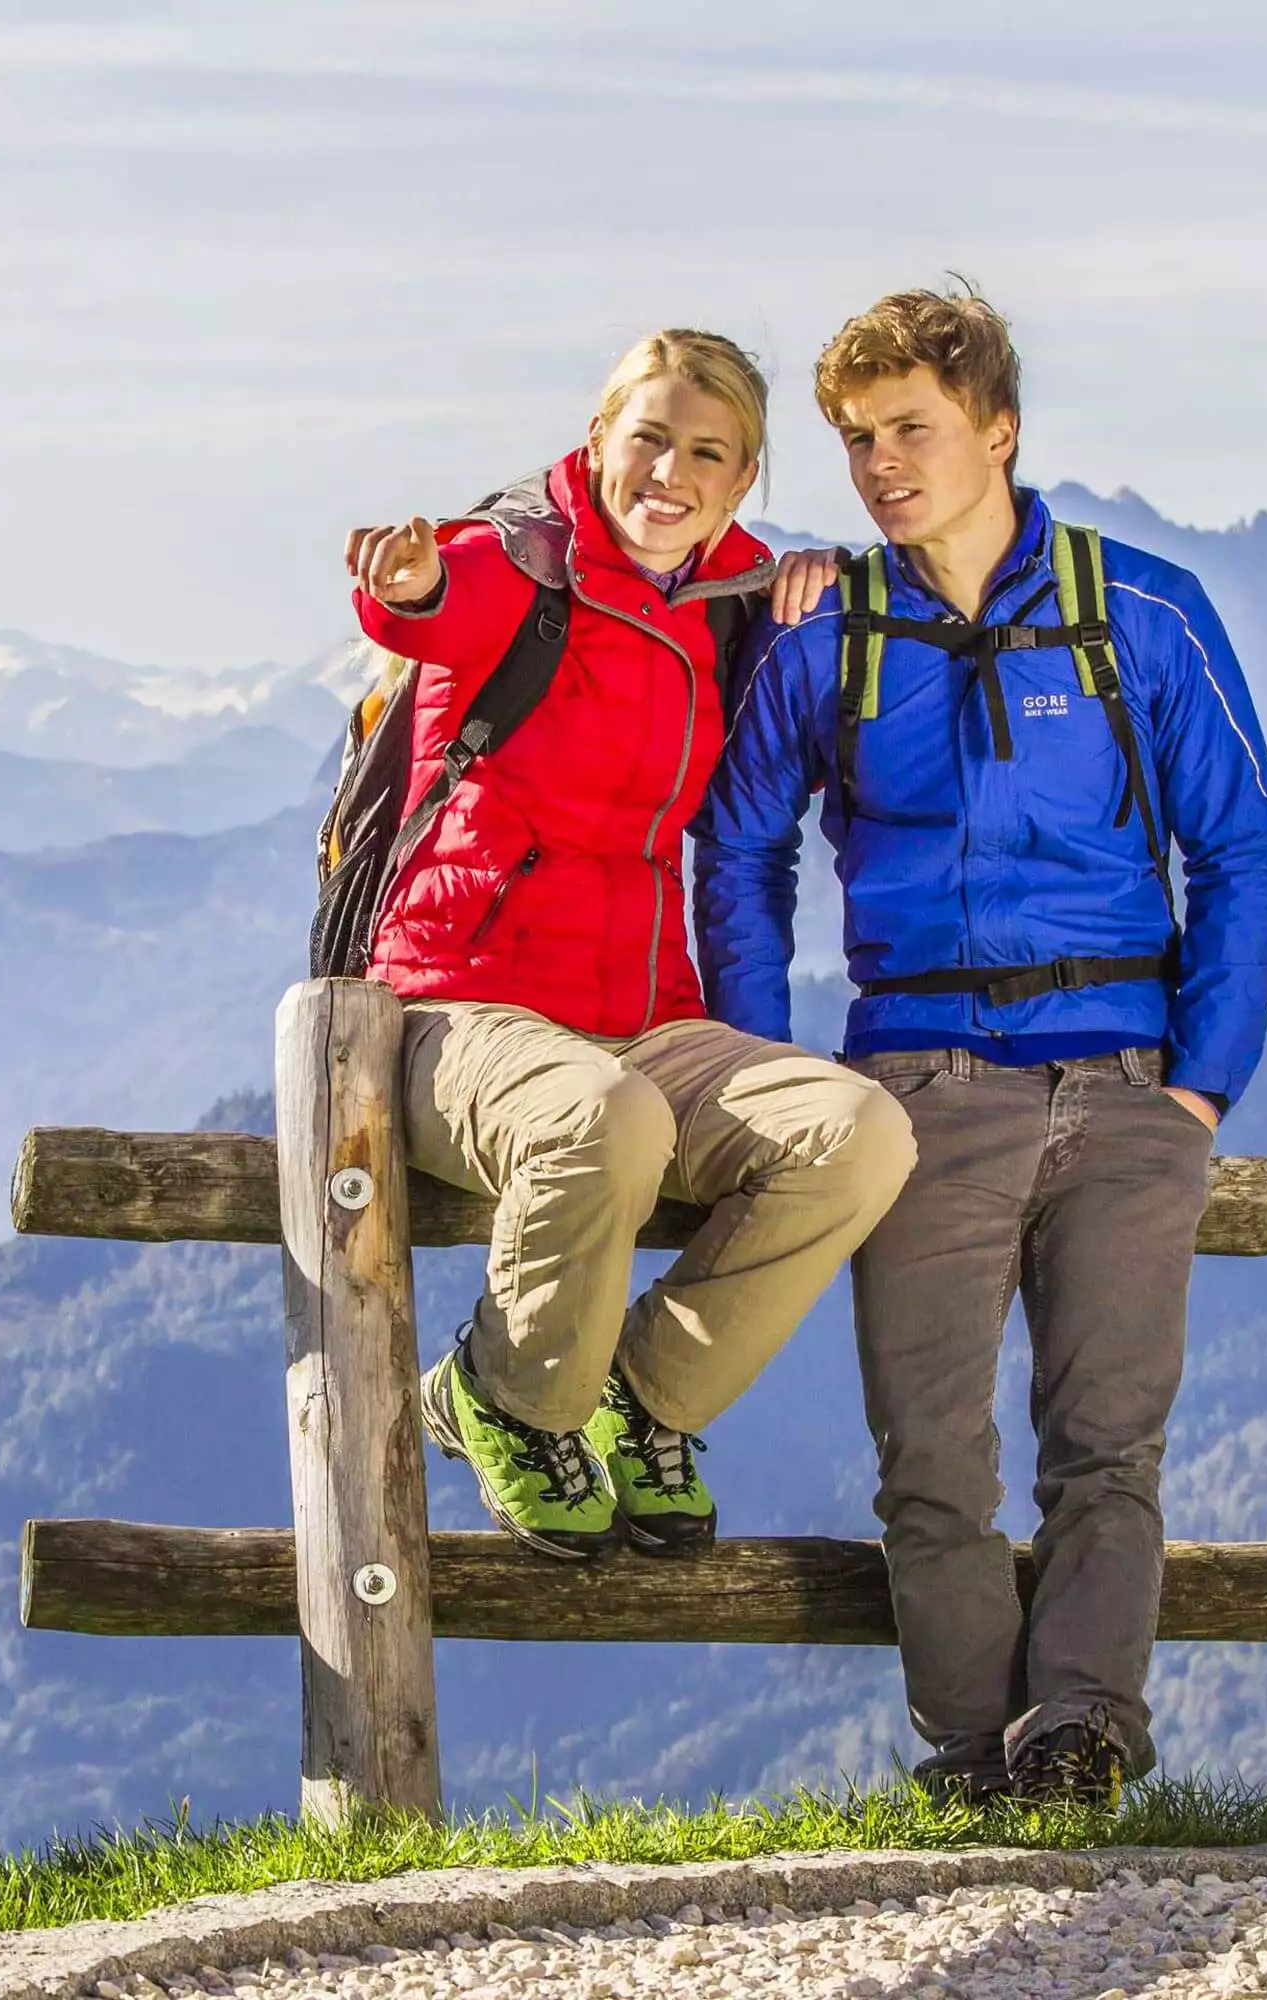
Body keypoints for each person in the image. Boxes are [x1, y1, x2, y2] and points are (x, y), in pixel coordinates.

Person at [696, 288, 1267, 1805]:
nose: (883, 463)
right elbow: (737, 847)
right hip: (913, 1087)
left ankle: (1082, 1735)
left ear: (1000, 430)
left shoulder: (1139, 610)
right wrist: (775, 1078)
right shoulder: (826, 627)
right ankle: (973, 1756)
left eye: (913, 428)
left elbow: (1245, 848)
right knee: (931, 1461)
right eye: (856, 439)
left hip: (1127, 1081)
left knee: (1107, 1445)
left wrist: (1203, 1084)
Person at [340, 329, 916, 1562]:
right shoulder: (515, 559)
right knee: (603, 1116)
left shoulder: (729, 592)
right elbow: (439, 606)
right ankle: (503, 1394)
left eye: (707, 452)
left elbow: (847, 599)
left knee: (859, 1131)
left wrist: (810, 572)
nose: (670, 470)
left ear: (743, 476)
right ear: (598, 437)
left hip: (643, 1015)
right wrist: (403, 589)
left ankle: (643, 1396)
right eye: (647, 435)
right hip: (459, 1008)